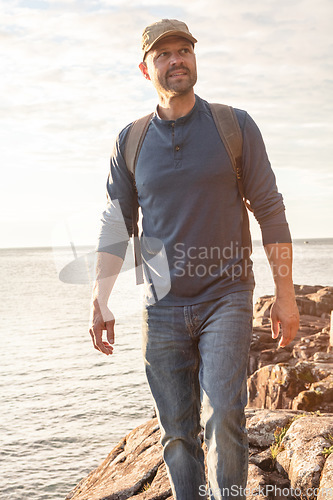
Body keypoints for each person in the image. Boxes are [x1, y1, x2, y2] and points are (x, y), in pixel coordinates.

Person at [89, 19, 300, 500]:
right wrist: (98, 299)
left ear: (195, 59)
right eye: (164, 54)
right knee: (178, 433)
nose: (177, 59)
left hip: (226, 295)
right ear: (146, 69)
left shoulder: (234, 126)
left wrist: (285, 297)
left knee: (223, 411)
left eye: (184, 50)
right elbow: (116, 223)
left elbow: (271, 210)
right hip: (159, 306)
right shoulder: (131, 140)